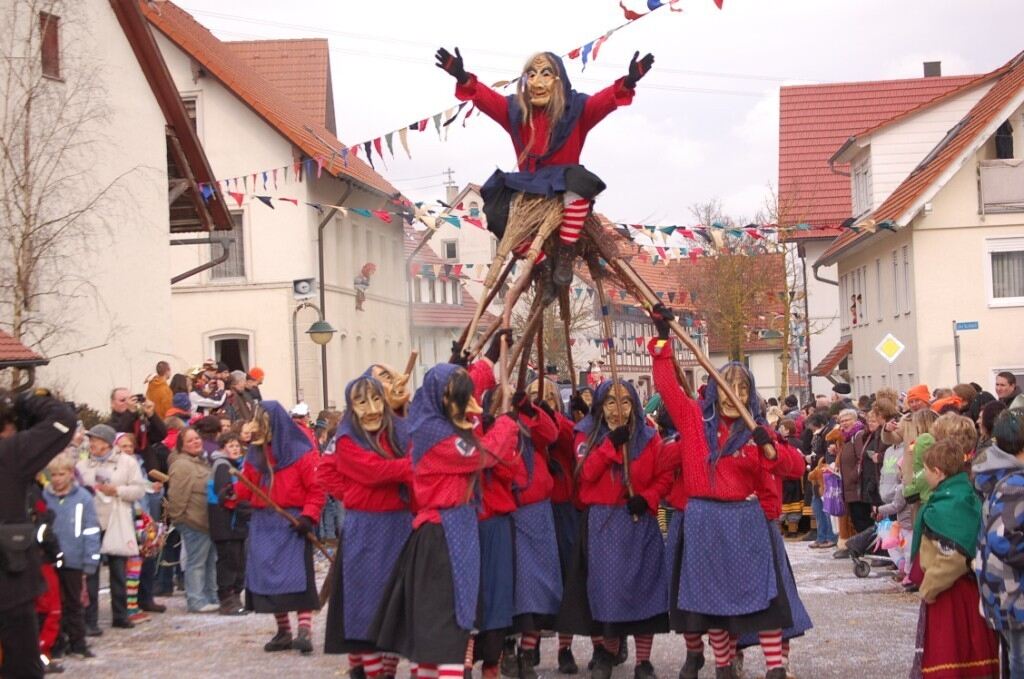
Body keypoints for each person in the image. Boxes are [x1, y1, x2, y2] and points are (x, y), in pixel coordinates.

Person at [646, 304, 795, 679]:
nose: (734, 393)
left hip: (745, 521)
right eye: (727, 385)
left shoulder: (756, 430)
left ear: (750, 394)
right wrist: (662, 339)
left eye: (742, 387)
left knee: (762, 596)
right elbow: (665, 386)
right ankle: (723, 666)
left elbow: (795, 467)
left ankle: (775, 668)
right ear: (714, 388)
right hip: (703, 519)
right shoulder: (694, 420)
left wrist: (770, 450)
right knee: (710, 600)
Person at [436, 46, 653, 288]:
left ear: (559, 80)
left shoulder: (577, 109)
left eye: (545, 74)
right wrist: (463, 77)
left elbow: (604, 100)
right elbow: (487, 99)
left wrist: (629, 81)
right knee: (495, 210)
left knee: (580, 181)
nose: (536, 81)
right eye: (531, 74)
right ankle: (541, 264)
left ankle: (565, 252)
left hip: (564, 183)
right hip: (529, 186)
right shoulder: (515, 112)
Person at [372, 363, 520, 679]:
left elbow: (477, 437)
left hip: (459, 530)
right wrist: (506, 424)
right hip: (440, 538)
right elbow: (484, 454)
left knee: (449, 626)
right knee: (444, 630)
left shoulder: (445, 426)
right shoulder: (432, 434)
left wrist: (491, 373)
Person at [557, 374, 671, 679]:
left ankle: (643, 661)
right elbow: (585, 474)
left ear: (634, 405)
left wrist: (646, 499)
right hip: (604, 525)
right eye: (610, 401)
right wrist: (609, 446)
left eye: (624, 401)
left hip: (639, 523)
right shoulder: (586, 436)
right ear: (600, 405)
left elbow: (663, 478)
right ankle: (607, 653)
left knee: (644, 592)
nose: (617, 409)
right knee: (608, 592)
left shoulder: (650, 437)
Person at [321, 376, 412, 677]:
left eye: (376, 399)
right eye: (362, 402)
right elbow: (374, 471)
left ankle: (387, 670)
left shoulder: (400, 429)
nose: (372, 409)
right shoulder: (347, 439)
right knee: (365, 606)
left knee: (397, 605)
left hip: (401, 526)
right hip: (366, 530)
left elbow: (418, 453)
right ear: (351, 407)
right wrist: (354, 493)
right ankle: (370, 671)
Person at [237, 401, 326, 654]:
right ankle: (283, 631)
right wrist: (231, 495)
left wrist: (309, 516)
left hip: (292, 522)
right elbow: (247, 486)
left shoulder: (301, 453)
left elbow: (316, 489)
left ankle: (304, 630)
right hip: (264, 523)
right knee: (268, 580)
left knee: (298, 580)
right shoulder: (256, 454)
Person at [0, 389, 75, 679]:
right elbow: (62, 421)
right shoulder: (10, 455)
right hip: (9, 586)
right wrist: (25, 400)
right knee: (22, 667)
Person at [909, 439, 999, 678]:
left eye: (925, 470)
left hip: (951, 593)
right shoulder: (966, 494)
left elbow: (953, 556)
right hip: (969, 590)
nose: (923, 475)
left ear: (938, 472)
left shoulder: (948, 505)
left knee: (951, 656)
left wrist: (929, 588)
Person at [76, 423, 147, 633]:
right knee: (91, 572)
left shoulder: (127, 463)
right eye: (90, 440)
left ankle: (121, 614)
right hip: (91, 522)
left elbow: (139, 490)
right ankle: (90, 620)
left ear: (106, 443)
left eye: (95, 440)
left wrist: (117, 490)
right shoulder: (83, 465)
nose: (92, 444)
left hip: (117, 520)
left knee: (118, 571)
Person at [974, 409, 1024, 676]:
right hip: (1014, 591)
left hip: (1004, 588)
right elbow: (1004, 538)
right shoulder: (1016, 483)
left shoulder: (1005, 476)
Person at [43, 452, 101, 660]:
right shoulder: (44, 497)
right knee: (52, 603)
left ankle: (78, 642)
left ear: (70, 474)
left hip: (74, 558)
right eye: (54, 475)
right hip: (49, 558)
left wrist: (90, 560)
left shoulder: (82, 498)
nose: (57, 478)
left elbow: (91, 530)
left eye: (62, 474)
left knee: (74, 603)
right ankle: (56, 642)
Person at [167, 427, 218, 613]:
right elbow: (177, 496)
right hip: (193, 522)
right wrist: (181, 518)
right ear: (181, 446)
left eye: (197, 438)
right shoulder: (181, 465)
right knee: (196, 562)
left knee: (210, 561)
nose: (196, 442)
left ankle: (211, 596)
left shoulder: (201, 462)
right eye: (190, 441)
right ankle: (196, 600)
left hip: (207, 522)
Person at [208, 432, 250, 616]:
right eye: (231, 446)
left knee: (239, 561)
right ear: (222, 448)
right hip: (225, 522)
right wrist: (245, 504)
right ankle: (227, 599)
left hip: (236, 523)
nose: (235, 449)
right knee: (229, 562)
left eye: (237, 446)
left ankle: (236, 597)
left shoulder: (237, 465)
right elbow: (225, 494)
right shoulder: (222, 466)